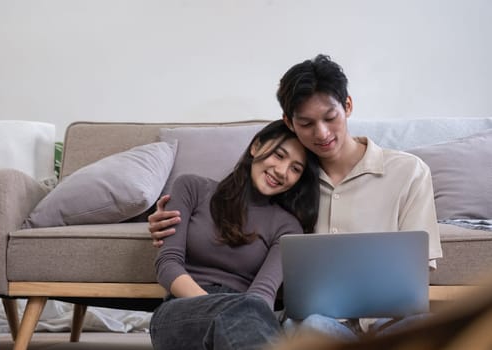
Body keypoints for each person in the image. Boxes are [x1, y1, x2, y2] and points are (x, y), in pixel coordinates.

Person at [148, 54, 443, 341]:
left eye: (330, 118)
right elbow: (180, 254)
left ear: (348, 106)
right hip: (308, 322)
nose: (322, 133)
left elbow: (416, 272)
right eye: (307, 124)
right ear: (288, 123)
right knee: (310, 326)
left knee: (424, 328)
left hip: (384, 321)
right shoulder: (290, 190)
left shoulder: (407, 172)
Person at [149, 120, 321, 350]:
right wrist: (220, 305)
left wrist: (240, 311)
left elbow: (263, 293)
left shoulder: (288, 226)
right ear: (256, 146)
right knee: (247, 313)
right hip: (183, 310)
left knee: (250, 311)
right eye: (279, 156)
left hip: (251, 313)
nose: (282, 171)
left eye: (295, 169)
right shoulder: (192, 188)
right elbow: (167, 264)